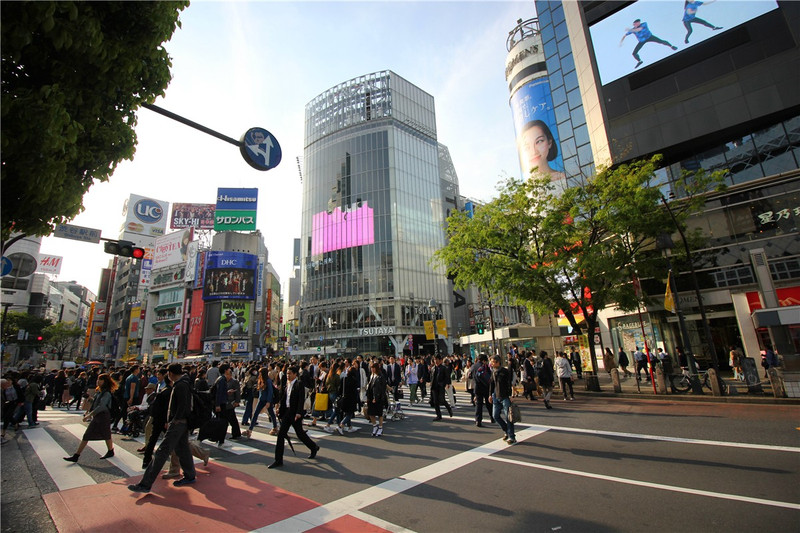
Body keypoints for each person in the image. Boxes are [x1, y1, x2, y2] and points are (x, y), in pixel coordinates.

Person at [128, 364, 197, 493]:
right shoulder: (185, 382)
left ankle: (145, 484)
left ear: (171, 373)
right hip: (182, 422)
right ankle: (190, 475)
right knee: (183, 449)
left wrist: (174, 420)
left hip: (178, 422)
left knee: (162, 451)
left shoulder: (180, 385)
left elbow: (182, 405)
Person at [268, 365, 319, 469]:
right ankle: (278, 460)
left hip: (295, 413)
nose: (288, 375)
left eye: (290, 373)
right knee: (281, 435)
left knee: (300, 434)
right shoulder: (286, 383)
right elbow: (283, 397)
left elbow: (301, 399)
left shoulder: (299, 384)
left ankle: (313, 447)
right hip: (286, 412)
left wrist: (299, 412)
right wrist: (279, 408)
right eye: (287, 373)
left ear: (295, 374)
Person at [63, 373, 117, 462]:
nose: (97, 381)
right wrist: (89, 398)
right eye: (98, 379)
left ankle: (76, 455)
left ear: (105, 381)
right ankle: (110, 451)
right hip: (100, 416)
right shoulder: (100, 391)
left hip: (102, 416)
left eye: (100, 380)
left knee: (89, 435)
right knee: (105, 434)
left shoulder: (106, 393)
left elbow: (102, 406)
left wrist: (89, 415)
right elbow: (97, 404)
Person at [489, 355, 515, 444]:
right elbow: (492, 384)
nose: (491, 364)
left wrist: (511, 395)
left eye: (492, 362)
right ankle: (506, 430)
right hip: (495, 395)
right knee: (495, 415)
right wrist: (490, 395)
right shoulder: (493, 371)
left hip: (504, 396)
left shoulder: (505, 371)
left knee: (508, 417)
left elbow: (509, 383)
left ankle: (511, 436)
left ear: (497, 362)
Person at [244, 367, 277, 438]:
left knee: (271, 414)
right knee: (255, 414)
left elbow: (270, 392)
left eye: (260, 372)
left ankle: (275, 427)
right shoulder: (260, 380)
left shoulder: (268, 381)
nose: (259, 374)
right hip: (261, 400)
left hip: (267, 400)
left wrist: (268, 401)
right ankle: (250, 430)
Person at [366, 362, 388, 436]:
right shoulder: (371, 375)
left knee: (379, 413)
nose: (372, 369)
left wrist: (377, 397)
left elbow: (382, 388)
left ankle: (380, 427)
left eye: (373, 368)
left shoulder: (380, 376)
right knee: (371, 413)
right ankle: (375, 426)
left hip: (378, 397)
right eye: (371, 368)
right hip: (371, 397)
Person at [430, 355, 453, 421]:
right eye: (435, 360)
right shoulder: (433, 368)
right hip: (434, 386)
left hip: (441, 386)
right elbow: (431, 377)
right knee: (435, 402)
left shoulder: (444, 368)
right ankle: (438, 415)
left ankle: (449, 409)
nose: (436, 361)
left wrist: (447, 383)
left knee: (442, 400)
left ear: (440, 360)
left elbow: (447, 377)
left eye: (437, 360)